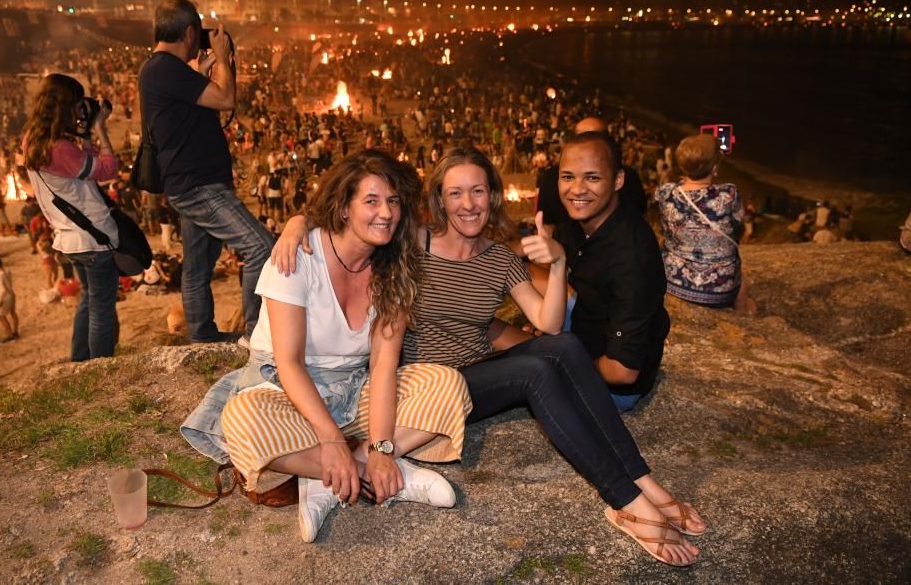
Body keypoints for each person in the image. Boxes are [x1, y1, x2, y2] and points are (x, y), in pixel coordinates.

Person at [274, 148, 705, 566]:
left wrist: (557, 267)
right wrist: (296, 223)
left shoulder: (500, 258)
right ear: (439, 199)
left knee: (567, 346)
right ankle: (625, 499)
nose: (467, 204)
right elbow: (357, 214)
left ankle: (641, 480)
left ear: (493, 196)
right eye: (455, 192)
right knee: (537, 371)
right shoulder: (413, 241)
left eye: (478, 191)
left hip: (478, 376)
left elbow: (549, 324)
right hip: (428, 387)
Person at [220, 150, 472, 543]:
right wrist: (332, 438)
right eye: (371, 201)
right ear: (343, 208)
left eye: (393, 201)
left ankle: (337, 471)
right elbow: (289, 363)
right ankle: (364, 473)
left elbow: (384, 368)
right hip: (287, 389)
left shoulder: (395, 268)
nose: (385, 212)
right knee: (241, 420)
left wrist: (382, 448)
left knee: (447, 386)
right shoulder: (299, 255)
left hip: (353, 389)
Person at [139, 0, 273, 344]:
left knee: (197, 267)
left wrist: (201, 71)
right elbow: (226, 98)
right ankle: (256, 335)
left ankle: (201, 335)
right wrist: (225, 59)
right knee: (261, 248)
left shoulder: (163, 71)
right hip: (199, 185)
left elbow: (186, 111)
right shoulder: (165, 68)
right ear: (189, 32)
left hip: (191, 183)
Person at [554, 131, 670, 413]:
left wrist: (565, 362)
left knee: (524, 372)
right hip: (587, 325)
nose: (577, 189)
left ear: (618, 180)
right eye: (568, 177)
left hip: (613, 385)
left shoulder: (632, 256)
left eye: (592, 178)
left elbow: (623, 371)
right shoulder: (580, 221)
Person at [23, 74, 118, 361]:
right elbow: (107, 169)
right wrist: (100, 129)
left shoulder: (34, 140)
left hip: (69, 239)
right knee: (101, 307)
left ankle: (80, 362)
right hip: (92, 239)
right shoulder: (60, 148)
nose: (81, 110)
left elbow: (84, 168)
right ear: (66, 105)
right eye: (78, 104)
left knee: (88, 302)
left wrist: (85, 136)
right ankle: (100, 367)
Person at [656, 134, 757, 314]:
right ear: (715, 168)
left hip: (673, 281)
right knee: (742, 282)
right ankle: (743, 311)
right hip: (720, 291)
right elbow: (737, 226)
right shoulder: (729, 194)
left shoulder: (665, 193)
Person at [0, 258, 19, 340]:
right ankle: (15, 331)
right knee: (13, 313)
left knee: (1, 316)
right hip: (12, 294)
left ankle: (10, 335)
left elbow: (2, 290)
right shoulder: (7, 271)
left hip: (5, 297)